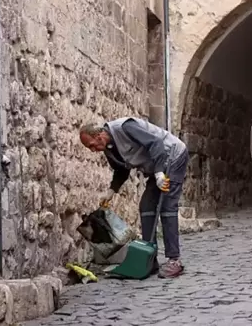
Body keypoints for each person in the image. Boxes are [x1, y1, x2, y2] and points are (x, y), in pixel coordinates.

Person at [79, 117, 189, 278]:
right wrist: (111, 192)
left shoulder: (126, 127)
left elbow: (156, 143)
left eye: (91, 145)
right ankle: (149, 258)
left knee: (167, 207)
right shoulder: (109, 148)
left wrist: (159, 175)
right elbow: (121, 170)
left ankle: (174, 260)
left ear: (99, 136)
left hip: (173, 156)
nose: (92, 150)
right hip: (156, 167)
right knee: (146, 207)